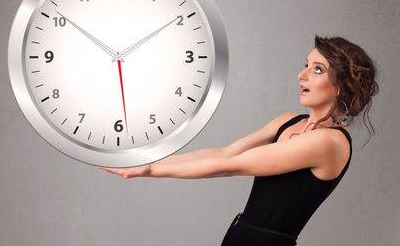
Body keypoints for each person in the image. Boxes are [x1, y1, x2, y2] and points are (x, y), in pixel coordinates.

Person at [96, 35, 379, 246]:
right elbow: (224, 152)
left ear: (342, 84)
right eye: (306, 65)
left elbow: (231, 165)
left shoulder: (330, 142)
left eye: (317, 69)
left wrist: (149, 171)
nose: (301, 74)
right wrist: (149, 161)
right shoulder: (288, 122)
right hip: (238, 236)